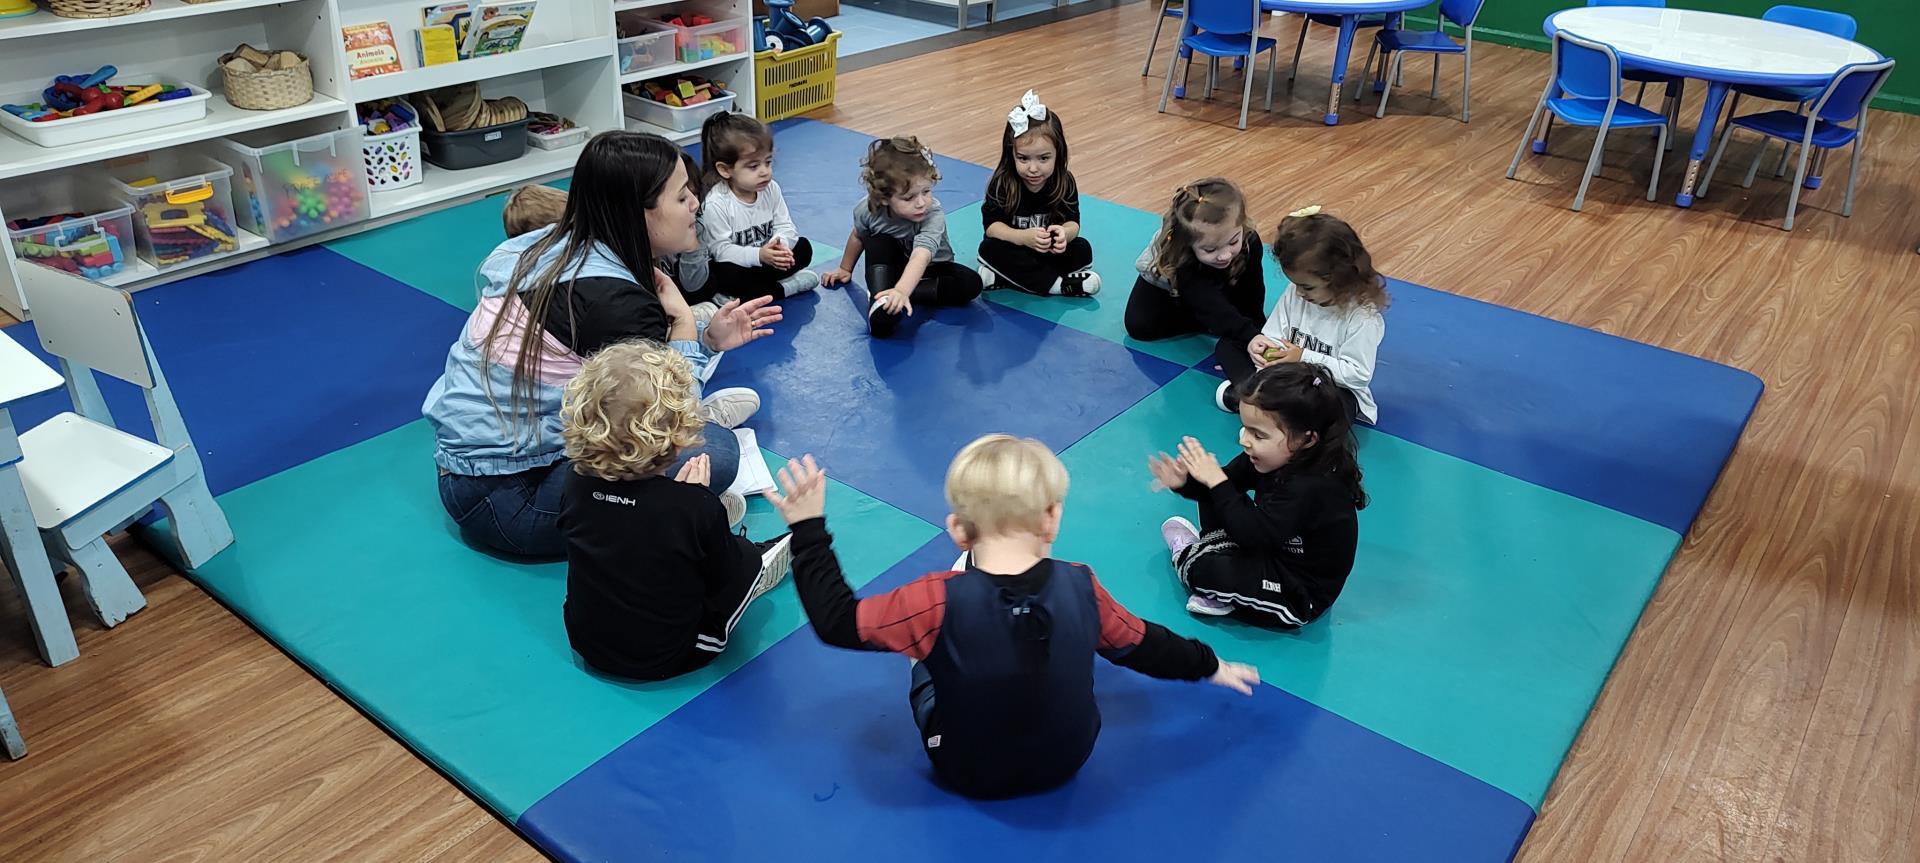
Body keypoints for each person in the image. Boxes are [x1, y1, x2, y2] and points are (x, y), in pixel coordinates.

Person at [766, 435, 1261, 799]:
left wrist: (808, 529)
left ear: (959, 532)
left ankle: (964, 600)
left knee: (919, 653)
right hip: (1071, 756)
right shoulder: (1083, 585)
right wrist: (1210, 665)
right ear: (1052, 519)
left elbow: (836, 622)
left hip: (970, 771)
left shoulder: (931, 600)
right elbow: (1146, 644)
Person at [423, 131, 781, 559]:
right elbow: (671, 429)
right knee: (716, 453)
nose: (695, 205)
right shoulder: (614, 303)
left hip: (472, 471)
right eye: (681, 197)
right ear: (638, 212)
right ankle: (683, 513)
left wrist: (704, 340)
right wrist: (686, 323)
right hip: (511, 500)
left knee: (687, 431)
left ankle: (684, 477)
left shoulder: (561, 243)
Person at [559, 341, 792, 681]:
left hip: (587, 642)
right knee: (744, 560)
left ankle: (704, 536)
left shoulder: (574, 482)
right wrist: (698, 501)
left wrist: (686, 507)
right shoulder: (692, 506)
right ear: (677, 437)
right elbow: (722, 578)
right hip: (676, 654)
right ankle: (739, 552)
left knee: (630, 544)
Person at [1149, 363, 1364, 626]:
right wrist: (1184, 482)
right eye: (1246, 428)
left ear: (1307, 440)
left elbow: (1254, 534)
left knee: (1204, 572)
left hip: (1297, 591)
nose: (1244, 440)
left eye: (1258, 435)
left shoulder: (1313, 486)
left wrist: (1217, 481)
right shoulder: (1272, 457)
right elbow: (1227, 486)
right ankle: (1222, 571)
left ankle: (1190, 556)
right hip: (1269, 547)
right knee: (1219, 488)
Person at [1123, 179, 1267, 412]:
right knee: (1139, 326)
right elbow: (1204, 298)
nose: (1224, 255)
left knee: (1236, 316)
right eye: (1211, 249)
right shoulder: (1181, 254)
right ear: (1189, 243)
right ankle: (1212, 316)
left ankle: (1218, 317)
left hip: (1213, 287)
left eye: (1233, 241)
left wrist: (1254, 332)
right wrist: (1243, 332)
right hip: (1167, 288)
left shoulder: (1248, 241)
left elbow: (1253, 290)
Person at [822, 136, 983, 339]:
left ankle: (893, 295)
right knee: (877, 240)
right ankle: (882, 302)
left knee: (971, 283)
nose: (921, 203)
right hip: (893, 266)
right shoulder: (868, 210)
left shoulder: (933, 214)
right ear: (884, 197)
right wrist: (845, 269)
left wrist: (902, 290)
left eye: (926, 191)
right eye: (909, 198)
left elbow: (921, 256)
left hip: (933, 268)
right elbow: (858, 236)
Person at [1239, 206, 1387, 422]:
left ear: (1339, 277)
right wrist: (1263, 347)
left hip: (1332, 389)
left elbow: (1357, 375)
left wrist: (1303, 357)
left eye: (1307, 287)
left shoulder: (1362, 317)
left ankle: (1248, 398)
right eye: (1295, 285)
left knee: (1333, 409)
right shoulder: (1296, 294)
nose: (1299, 292)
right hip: (1287, 381)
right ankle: (1262, 403)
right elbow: (1272, 333)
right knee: (1230, 346)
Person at [976, 89, 1098, 297]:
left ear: (1058, 154)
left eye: (1043, 158)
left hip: (1047, 253)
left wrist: (1064, 235)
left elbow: (1073, 223)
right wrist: (1023, 237)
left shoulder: (1065, 181)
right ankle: (1059, 286)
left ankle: (1004, 278)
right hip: (1015, 248)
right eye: (1023, 158)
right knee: (989, 249)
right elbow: (992, 228)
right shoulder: (1002, 182)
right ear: (1011, 154)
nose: (1033, 168)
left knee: (1083, 249)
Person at [698, 112, 821, 302]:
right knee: (721, 274)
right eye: (753, 166)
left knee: (804, 248)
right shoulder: (717, 203)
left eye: (768, 162)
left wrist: (781, 246)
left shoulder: (771, 189)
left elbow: (786, 227)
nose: (765, 172)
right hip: (742, 266)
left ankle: (757, 292)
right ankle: (784, 288)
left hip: (768, 261)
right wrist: (760, 255)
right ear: (725, 169)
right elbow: (721, 251)